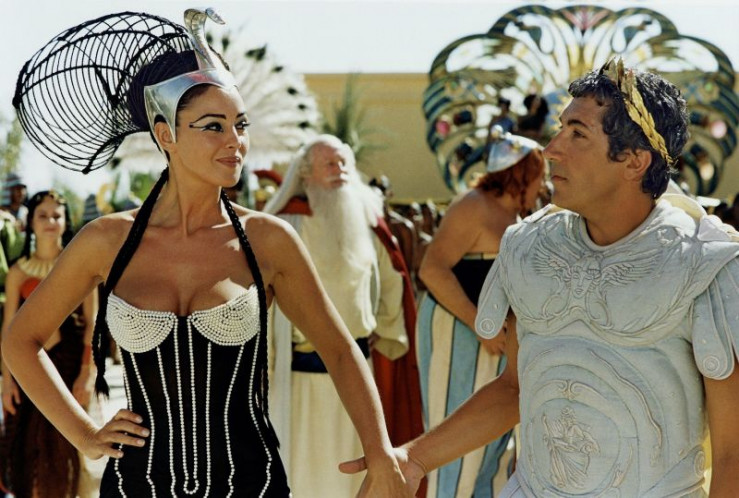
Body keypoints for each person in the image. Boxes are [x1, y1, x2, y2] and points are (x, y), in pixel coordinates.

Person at [4, 9, 407, 497]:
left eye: (241, 124)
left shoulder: (268, 240)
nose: (235, 142)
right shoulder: (106, 240)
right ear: (166, 135)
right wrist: (84, 434)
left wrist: (380, 451)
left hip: (250, 483)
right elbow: (20, 339)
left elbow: (341, 351)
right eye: (214, 126)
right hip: (136, 485)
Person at [342, 58, 739, 496]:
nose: (551, 150)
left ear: (634, 161)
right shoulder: (530, 247)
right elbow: (515, 388)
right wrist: (414, 458)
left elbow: (732, 453)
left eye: (577, 134)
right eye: (559, 129)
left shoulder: (705, 263)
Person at [263, 134, 423, 497]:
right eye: (330, 164)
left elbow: (392, 279)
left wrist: (385, 329)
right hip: (301, 379)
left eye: (344, 164)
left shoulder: (366, 221)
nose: (340, 171)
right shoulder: (285, 226)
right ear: (306, 174)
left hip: (359, 377)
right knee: (304, 474)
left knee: (358, 475)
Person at [416, 127, 545, 497]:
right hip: (456, 335)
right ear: (522, 173)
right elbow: (432, 269)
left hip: (497, 344)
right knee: (456, 445)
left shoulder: (519, 218)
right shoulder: (472, 205)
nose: (544, 183)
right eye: (540, 174)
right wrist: (479, 324)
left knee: (493, 451)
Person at [1, 190, 98, 498]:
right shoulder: (18, 273)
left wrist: (88, 373)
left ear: (66, 221)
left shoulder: (81, 266)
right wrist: (7, 382)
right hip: (26, 371)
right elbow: (8, 329)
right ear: (30, 221)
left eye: (57, 215)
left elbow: (93, 324)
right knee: (26, 451)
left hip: (69, 366)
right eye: (42, 215)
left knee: (66, 450)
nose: (50, 221)